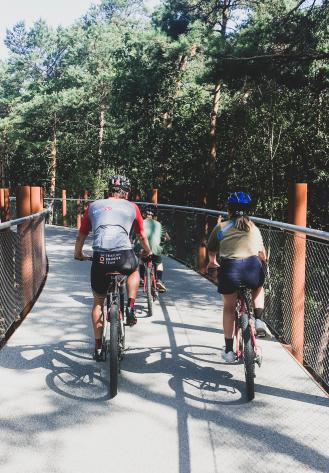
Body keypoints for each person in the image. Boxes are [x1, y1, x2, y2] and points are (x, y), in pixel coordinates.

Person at [74, 175, 152, 361]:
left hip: (100, 258)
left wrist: (78, 254)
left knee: (98, 302)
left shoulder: (93, 206)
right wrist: (147, 251)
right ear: (125, 192)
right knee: (134, 270)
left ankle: (99, 348)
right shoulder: (132, 207)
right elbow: (141, 235)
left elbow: (81, 235)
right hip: (124, 256)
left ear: (109, 190)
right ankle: (131, 306)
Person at [207, 191, 267, 363]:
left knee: (228, 308)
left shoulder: (221, 227)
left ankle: (228, 351)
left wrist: (213, 263)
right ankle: (260, 321)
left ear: (229, 209)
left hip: (230, 270)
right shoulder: (254, 228)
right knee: (258, 286)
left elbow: (211, 250)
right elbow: (262, 254)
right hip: (251, 268)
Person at [136, 205, 170, 292]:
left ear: (144, 214)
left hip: (143, 249)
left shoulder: (141, 222)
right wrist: (163, 240)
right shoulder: (159, 224)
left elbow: (137, 235)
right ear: (154, 215)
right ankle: (159, 280)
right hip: (155, 250)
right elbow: (167, 238)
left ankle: (141, 278)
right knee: (158, 263)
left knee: (141, 260)